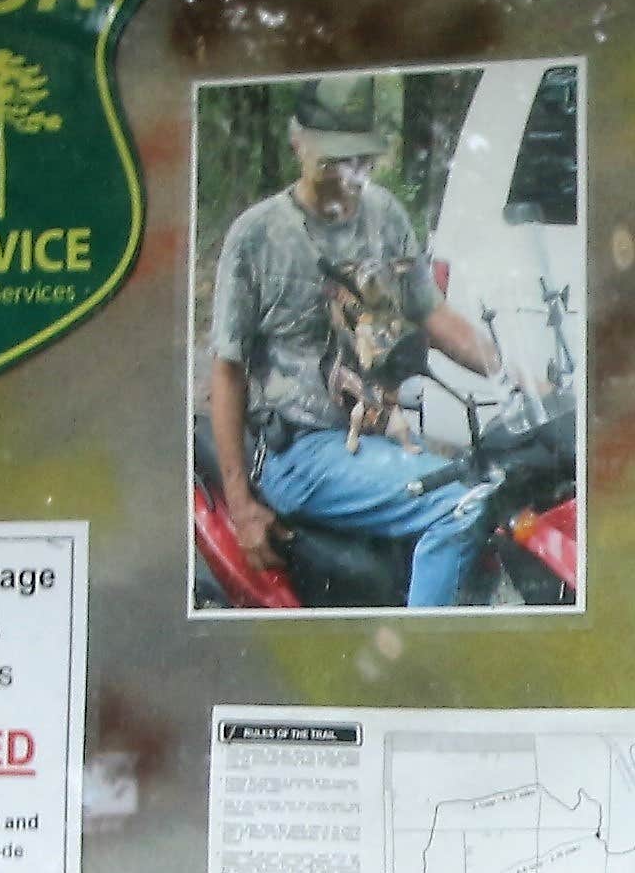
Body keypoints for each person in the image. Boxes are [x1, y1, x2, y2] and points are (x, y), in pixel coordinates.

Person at [206, 81, 517, 607]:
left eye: (357, 160)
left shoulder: (386, 217)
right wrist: (240, 506)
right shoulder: (256, 236)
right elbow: (227, 370)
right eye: (331, 159)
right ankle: (415, 673)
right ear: (296, 142)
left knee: (516, 482)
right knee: (461, 503)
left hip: (378, 438)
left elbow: (431, 312)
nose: (345, 176)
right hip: (298, 451)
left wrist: (513, 379)